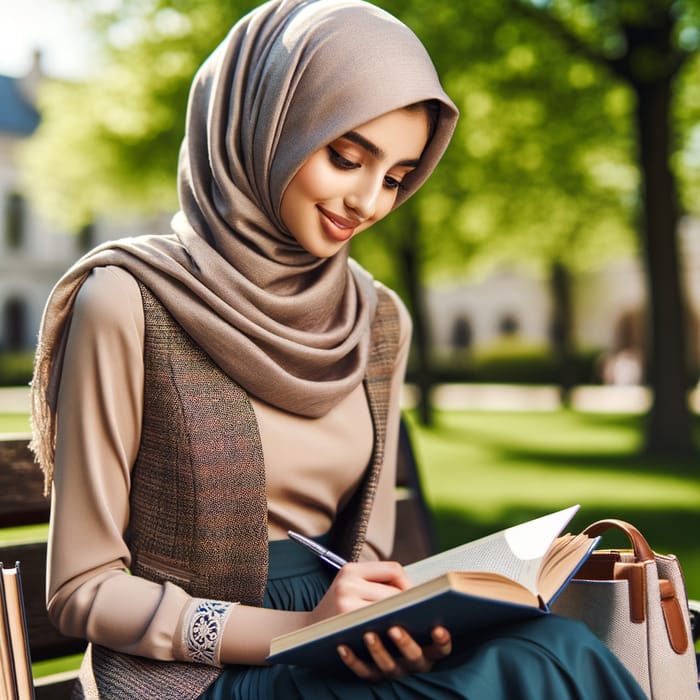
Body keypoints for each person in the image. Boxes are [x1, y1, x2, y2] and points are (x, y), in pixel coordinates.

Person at [30, 0, 648, 698]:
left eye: (394, 176)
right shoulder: (129, 298)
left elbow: (371, 550)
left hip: (345, 645)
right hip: (192, 676)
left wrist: (400, 622)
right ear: (267, 129)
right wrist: (292, 632)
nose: (369, 202)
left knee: (558, 644)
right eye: (346, 157)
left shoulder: (378, 317)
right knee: (513, 675)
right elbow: (82, 590)